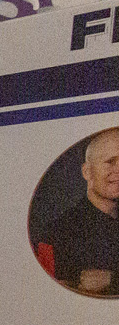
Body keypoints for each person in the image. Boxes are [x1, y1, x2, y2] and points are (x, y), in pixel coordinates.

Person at [38, 127, 119, 296]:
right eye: (110, 161)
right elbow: (47, 297)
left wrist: (112, 280)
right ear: (87, 172)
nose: (117, 169)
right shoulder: (56, 234)